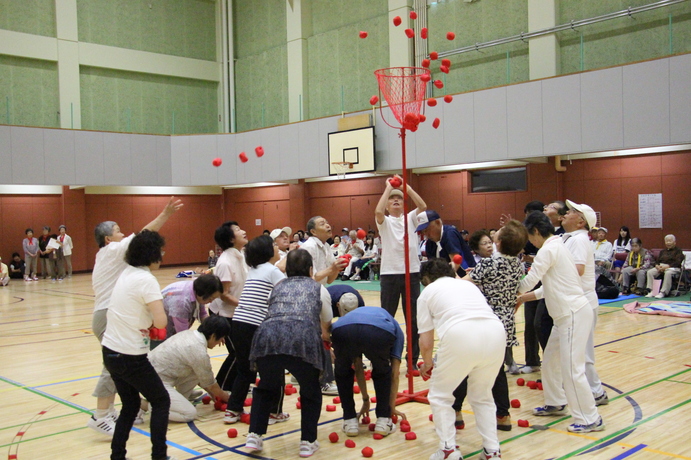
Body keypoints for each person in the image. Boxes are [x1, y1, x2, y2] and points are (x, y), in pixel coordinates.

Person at [88, 197, 182, 437]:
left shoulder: (113, 256)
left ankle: (111, 411)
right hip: (108, 315)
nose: (124, 233)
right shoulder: (113, 250)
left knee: (115, 365)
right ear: (108, 239)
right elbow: (143, 235)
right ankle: (100, 416)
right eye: (118, 230)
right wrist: (165, 214)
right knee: (113, 366)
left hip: (109, 313)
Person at [516, 211, 604, 434]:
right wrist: (522, 298)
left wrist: (507, 284)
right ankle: (556, 402)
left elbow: (528, 282)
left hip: (572, 314)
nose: (530, 241)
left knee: (572, 370)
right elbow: (547, 287)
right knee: (551, 361)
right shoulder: (557, 245)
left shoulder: (549, 249)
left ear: (536, 232)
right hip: (566, 316)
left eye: (529, 236)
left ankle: (589, 418)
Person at [245, 249, 333, 458]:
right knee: (310, 390)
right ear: (311, 270)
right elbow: (326, 322)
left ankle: (254, 435)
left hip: (267, 336)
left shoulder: (276, 287)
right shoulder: (318, 288)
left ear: (287, 270)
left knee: (266, 387)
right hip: (302, 338)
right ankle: (307, 441)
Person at [418, 258, 506, 460]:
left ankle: (448, 450)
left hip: (461, 334)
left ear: (426, 279)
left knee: (440, 395)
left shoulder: (427, 293)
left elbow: (426, 341)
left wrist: (428, 363)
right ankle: (492, 451)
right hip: (495, 332)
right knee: (482, 395)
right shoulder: (468, 286)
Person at [101, 230, 175, 460]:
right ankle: (159, 456)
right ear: (153, 254)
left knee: (131, 405)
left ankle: (117, 455)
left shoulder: (126, 272)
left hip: (110, 351)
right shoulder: (146, 280)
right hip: (130, 356)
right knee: (161, 400)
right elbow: (161, 321)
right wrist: (152, 324)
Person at [452, 220, 528, 431]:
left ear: (500, 242)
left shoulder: (487, 264)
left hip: (484, 320)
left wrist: (452, 273)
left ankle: (456, 411)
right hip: (505, 322)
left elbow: (463, 283)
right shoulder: (517, 264)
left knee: (466, 366)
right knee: (498, 371)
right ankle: (503, 416)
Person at [226, 235, 288, 425]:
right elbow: (285, 296)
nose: (277, 247)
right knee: (274, 369)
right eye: (274, 246)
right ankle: (273, 411)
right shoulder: (273, 271)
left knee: (244, 370)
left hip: (238, 323)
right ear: (268, 252)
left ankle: (233, 409)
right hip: (258, 325)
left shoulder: (254, 270)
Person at [375, 175, 427, 370]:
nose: (396, 200)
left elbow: (422, 205)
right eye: (392, 199)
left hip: (411, 273)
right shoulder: (384, 221)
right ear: (388, 204)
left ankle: (412, 360)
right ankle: (386, 357)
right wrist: (388, 188)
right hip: (389, 274)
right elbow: (378, 210)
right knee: (386, 317)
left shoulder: (411, 218)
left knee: (413, 319)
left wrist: (407, 188)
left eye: (399, 198)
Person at [332, 303, 404, 438]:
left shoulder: (353, 316)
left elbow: (358, 366)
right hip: (378, 332)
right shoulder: (396, 330)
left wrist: (366, 400)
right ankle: (383, 421)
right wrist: (390, 408)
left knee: (343, 373)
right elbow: (394, 374)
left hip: (342, 329)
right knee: (382, 372)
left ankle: (350, 421)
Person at [561, 200, 608, 406]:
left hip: (583, 302)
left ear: (580, 221)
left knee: (584, 352)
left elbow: (577, 270)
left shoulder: (579, 240)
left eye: (571, 211)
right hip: (574, 302)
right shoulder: (570, 238)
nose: (566, 213)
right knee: (577, 351)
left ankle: (596, 392)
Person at [146, 315, 231, 422]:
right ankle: (150, 405)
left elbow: (205, 379)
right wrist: (227, 398)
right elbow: (211, 384)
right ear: (213, 336)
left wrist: (214, 392)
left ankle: (176, 399)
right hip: (155, 381)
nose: (221, 342)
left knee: (197, 372)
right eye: (221, 338)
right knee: (190, 414)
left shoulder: (189, 334)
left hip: (157, 373)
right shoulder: (198, 351)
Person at [300, 215, 347, 395]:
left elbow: (328, 279)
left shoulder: (326, 246)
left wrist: (336, 268)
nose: (327, 224)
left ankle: (302, 375)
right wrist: (332, 267)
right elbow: (309, 278)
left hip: (318, 293)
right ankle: (325, 381)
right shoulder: (309, 247)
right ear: (312, 231)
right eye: (322, 223)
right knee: (322, 335)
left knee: (318, 336)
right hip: (307, 295)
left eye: (327, 222)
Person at [208, 221, 248, 392]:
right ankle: (223, 387)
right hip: (223, 314)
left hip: (237, 311)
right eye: (238, 230)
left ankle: (234, 385)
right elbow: (223, 295)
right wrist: (246, 305)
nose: (244, 231)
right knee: (237, 353)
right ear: (231, 239)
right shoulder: (225, 262)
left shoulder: (241, 255)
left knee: (242, 352)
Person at [150, 274, 223, 349]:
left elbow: (202, 314)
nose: (211, 301)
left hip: (170, 332)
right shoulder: (181, 302)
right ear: (203, 293)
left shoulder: (197, 290)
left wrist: (215, 332)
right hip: (158, 335)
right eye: (211, 298)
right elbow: (182, 334)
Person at [519, 200, 545, 375]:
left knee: (541, 323)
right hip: (533, 281)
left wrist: (518, 293)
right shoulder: (528, 235)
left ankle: (551, 360)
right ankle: (532, 361)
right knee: (530, 322)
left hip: (546, 285)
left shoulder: (555, 240)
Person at [416, 210, 476, 276]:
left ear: (438, 222)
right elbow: (432, 267)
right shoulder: (429, 243)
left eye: (427, 230)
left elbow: (456, 263)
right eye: (423, 232)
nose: (426, 234)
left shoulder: (449, 234)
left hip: (465, 277)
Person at [645, 234, 684, 298]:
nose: (668, 243)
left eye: (670, 241)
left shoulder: (678, 251)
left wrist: (666, 267)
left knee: (668, 273)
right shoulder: (662, 251)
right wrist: (657, 266)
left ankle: (663, 292)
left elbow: (677, 262)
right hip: (661, 266)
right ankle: (652, 291)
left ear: (674, 242)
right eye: (666, 241)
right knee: (650, 272)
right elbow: (657, 261)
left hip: (673, 268)